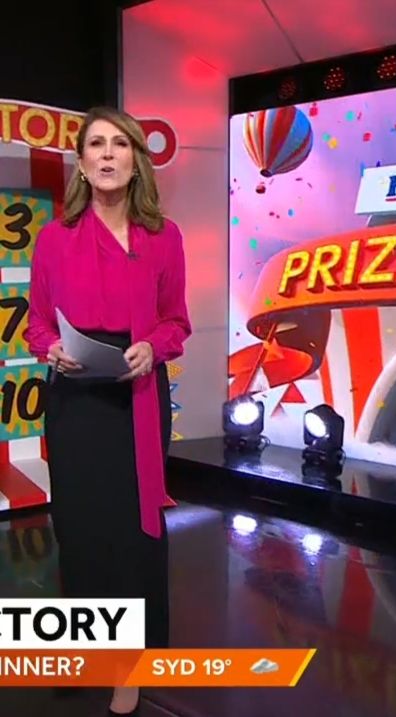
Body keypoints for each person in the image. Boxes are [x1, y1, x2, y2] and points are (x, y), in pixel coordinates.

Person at [24, 106, 191, 715]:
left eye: (119, 144)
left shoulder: (164, 237)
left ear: (136, 160)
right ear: (82, 162)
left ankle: (130, 667)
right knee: (81, 528)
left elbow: (177, 321)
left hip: (137, 396)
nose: (107, 155)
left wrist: (154, 347)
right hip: (75, 398)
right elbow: (37, 323)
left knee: (130, 531)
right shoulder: (54, 238)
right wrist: (51, 349)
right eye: (96, 144)